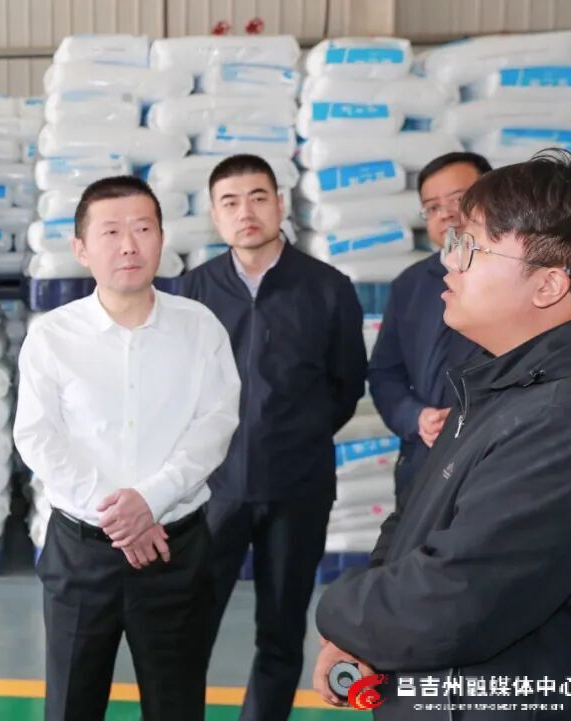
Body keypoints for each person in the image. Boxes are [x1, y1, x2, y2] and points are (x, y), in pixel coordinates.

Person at [313, 150, 571, 720]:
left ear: (548, 285)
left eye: (472, 247)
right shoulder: (495, 383)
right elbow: (412, 519)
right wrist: (363, 633)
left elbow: (454, 598)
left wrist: (338, 610)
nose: (449, 264)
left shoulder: (563, 419)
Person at [14, 175, 241, 721]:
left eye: (142, 229)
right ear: (81, 248)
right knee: (71, 703)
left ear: (162, 239)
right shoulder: (52, 336)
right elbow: (38, 436)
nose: (128, 245)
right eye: (111, 232)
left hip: (174, 552)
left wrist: (151, 500)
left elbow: (215, 425)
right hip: (81, 554)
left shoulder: (200, 329)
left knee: (177, 705)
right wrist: (122, 516)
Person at [181, 154, 367, 721]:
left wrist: (294, 436)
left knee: (282, 632)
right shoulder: (192, 292)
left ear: (281, 204)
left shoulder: (327, 288)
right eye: (231, 202)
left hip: (298, 487)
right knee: (186, 628)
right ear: (215, 215)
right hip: (212, 490)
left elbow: (346, 384)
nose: (246, 212)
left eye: (259, 197)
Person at [368, 152, 490, 499]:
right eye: (433, 207)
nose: (446, 214)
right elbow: (385, 372)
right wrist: (416, 417)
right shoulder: (409, 285)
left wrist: (472, 416)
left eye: (458, 199)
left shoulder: (514, 278)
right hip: (422, 462)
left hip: (490, 459)